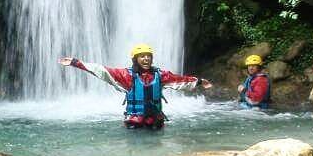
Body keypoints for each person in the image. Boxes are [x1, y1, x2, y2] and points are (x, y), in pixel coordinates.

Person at [59, 44, 211, 129]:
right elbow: (101, 70)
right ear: (135, 59)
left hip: (155, 123)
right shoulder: (126, 76)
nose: (146, 59)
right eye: (142, 56)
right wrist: (76, 62)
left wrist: (199, 81)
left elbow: (180, 80)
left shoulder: (161, 75)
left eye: (148, 56)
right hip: (134, 124)